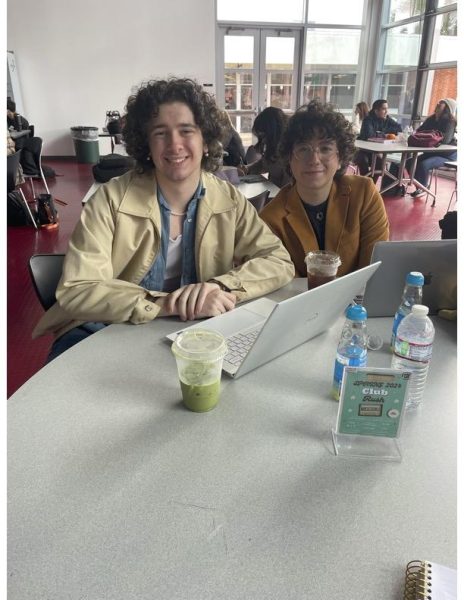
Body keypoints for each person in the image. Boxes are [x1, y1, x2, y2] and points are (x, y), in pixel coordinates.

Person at [32, 77, 295, 360]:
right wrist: (165, 303)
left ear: (206, 141)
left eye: (186, 131)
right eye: (160, 133)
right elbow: (77, 290)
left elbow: (278, 262)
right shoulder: (109, 201)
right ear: (146, 143)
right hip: (105, 327)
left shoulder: (229, 200)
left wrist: (221, 286)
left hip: (193, 335)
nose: (174, 144)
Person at [260, 100, 390, 277]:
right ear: (289, 158)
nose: (314, 159)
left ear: (340, 158)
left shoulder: (364, 194)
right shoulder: (270, 219)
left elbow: (375, 268)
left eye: (325, 148)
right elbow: (286, 283)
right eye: (303, 149)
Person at [405, 98, 457, 198]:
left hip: (447, 155)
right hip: (431, 152)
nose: (438, 104)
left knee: (423, 165)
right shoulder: (431, 119)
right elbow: (419, 131)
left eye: (442, 103)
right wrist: (431, 136)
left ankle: (423, 188)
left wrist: (428, 135)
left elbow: (445, 140)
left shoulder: (450, 121)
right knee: (409, 162)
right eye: (439, 102)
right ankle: (420, 187)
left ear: (447, 108)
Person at [240, 106, 291, 187]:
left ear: (273, 133)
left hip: (280, 195)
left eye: (264, 136)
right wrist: (247, 168)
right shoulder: (273, 147)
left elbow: (288, 189)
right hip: (272, 193)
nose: (263, 141)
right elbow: (263, 164)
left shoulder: (290, 154)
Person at [354, 99, 402, 177]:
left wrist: (382, 133)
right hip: (362, 150)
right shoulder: (368, 119)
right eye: (384, 109)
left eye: (387, 109)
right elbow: (369, 135)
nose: (386, 111)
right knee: (363, 159)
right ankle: (366, 181)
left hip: (376, 151)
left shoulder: (387, 119)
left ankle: (369, 184)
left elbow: (399, 129)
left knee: (380, 164)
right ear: (376, 110)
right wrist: (385, 135)